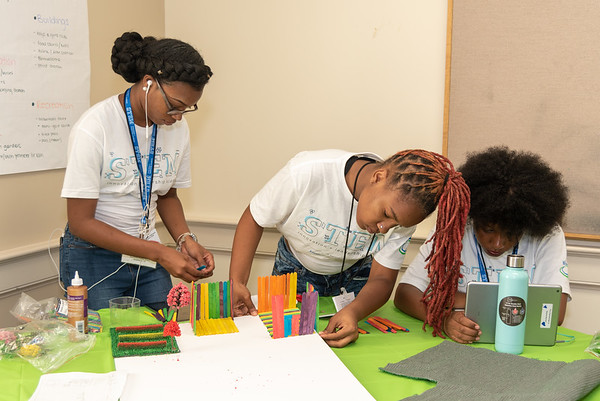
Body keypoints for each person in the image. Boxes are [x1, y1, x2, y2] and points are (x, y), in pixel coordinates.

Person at [229, 149, 470, 347]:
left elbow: (383, 279)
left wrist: (353, 312)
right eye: (386, 214)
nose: (384, 228)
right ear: (378, 177)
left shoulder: (403, 215)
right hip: (296, 271)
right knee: (286, 346)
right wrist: (237, 282)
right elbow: (254, 218)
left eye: (395, 225)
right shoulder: (306, 172)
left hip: (357, 282)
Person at [60, 32, 215, 311]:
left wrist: (185, 239)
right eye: (174, 106)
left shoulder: (176, 128)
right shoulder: (95, 128)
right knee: (106, 344)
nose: (178, 116)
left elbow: (166, 195)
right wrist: (160, 253)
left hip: (147, 253)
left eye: (186, 109)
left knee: (160, 336)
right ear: (147, 84)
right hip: (94, 256)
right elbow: (81, 221)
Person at [394, 146, 571, 344]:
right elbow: (405, 294)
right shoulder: (454, 226)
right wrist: (442, 319)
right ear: (473, 217)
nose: (497, 243)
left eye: (512, 234)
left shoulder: (548, 235)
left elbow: (555, 315)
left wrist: (452, 299)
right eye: (488, 229)